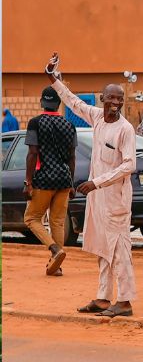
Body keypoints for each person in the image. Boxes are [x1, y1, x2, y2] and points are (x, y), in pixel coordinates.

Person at [46, 52, 137, 318]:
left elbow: (129, 165)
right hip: (98, 200)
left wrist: (96, 182)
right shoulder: (96, 117)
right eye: (111, 98)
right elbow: (72, 102)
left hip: (115, 200)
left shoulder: (125, 129)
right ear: (103, 99)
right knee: (102, 248)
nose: (115, 103)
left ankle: (126, 301)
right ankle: (102, 297)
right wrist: (54, 78)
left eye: (120, 99)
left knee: (120, 249)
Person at [23, 85, 77, 276]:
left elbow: (32, 153)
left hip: (44, 178)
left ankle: (54, 249)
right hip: (64, 179)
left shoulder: (35, 123)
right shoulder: (69, 125)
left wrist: (28, 181)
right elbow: (72, 157)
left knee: (31, 218)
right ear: (58, 104)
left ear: (41, 102)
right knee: (57, 222)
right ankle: (57, 266)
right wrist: (71, 183)